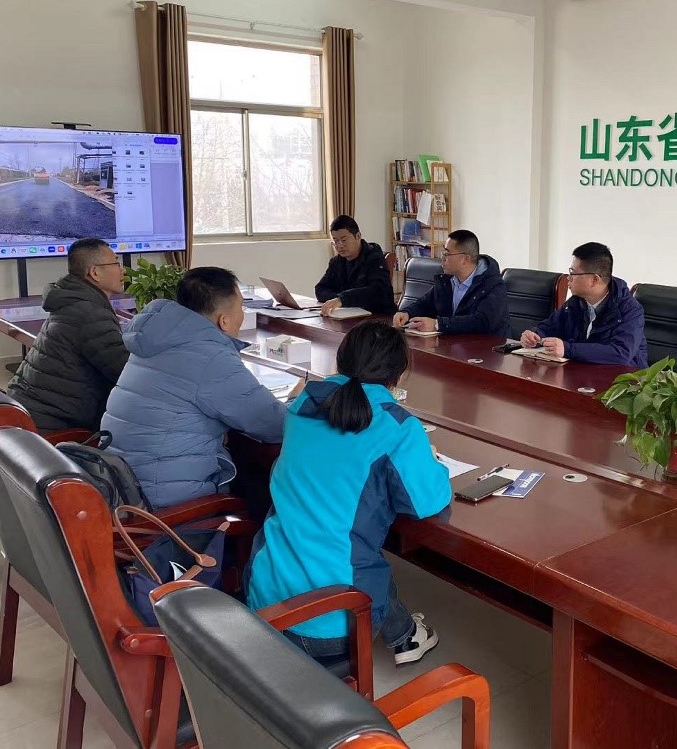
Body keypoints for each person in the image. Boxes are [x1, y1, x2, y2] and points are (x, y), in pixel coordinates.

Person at [247, 321, 450, 666]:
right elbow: (427, 502)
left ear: (340, 362)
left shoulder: (303, 404)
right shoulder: (398, 427)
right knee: (358, 554)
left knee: (343, 542)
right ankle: (405, 636)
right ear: (399, 376)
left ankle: (404, 633)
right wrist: (432, 462)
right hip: (331, 626)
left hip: (264, 597)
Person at [101, 266, 287, 509]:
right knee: (270, 490)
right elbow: (274, 424)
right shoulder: (212, 357)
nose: (242, 314)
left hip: (122, 490)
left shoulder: (156, 339)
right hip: (166, 504)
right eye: (241, 307)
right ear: (224, 320)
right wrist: (299, 403)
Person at [7, 238, 128, 431]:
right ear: (95, 273)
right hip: (51, 425)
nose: (123, 271)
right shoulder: (89, 314)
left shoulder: (72, 300)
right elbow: (126, 373)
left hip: (29, 409)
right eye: (116, 263)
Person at [520, 242, 648, 368]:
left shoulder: (630, 310)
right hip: (583, 373)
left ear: (594, 280)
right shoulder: (575, 302)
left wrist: (567, 349)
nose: (569, 278)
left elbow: (621, 353)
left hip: (623, 378)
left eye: (573, 273)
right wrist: (534, 335)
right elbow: (550, 327)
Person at [392, 229, 508, 336]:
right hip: (454, 343)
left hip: (487, 347)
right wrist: (406, 313)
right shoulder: (447, 280)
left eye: (447, 254)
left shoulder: (493, 285)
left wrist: (438, 324)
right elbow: (425, 304)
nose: (442, 258)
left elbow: (482, 322)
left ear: (465, 259)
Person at [315, 215, 395, 316]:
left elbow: (378, 291)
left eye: (344, 240)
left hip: (377, 316)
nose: (339, 245)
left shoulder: (374, 258)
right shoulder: (336, 262)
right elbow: (320, 289)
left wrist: (342, 299)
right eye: (336, 241)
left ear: (358, 236)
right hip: (348, 315)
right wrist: (339, 299)